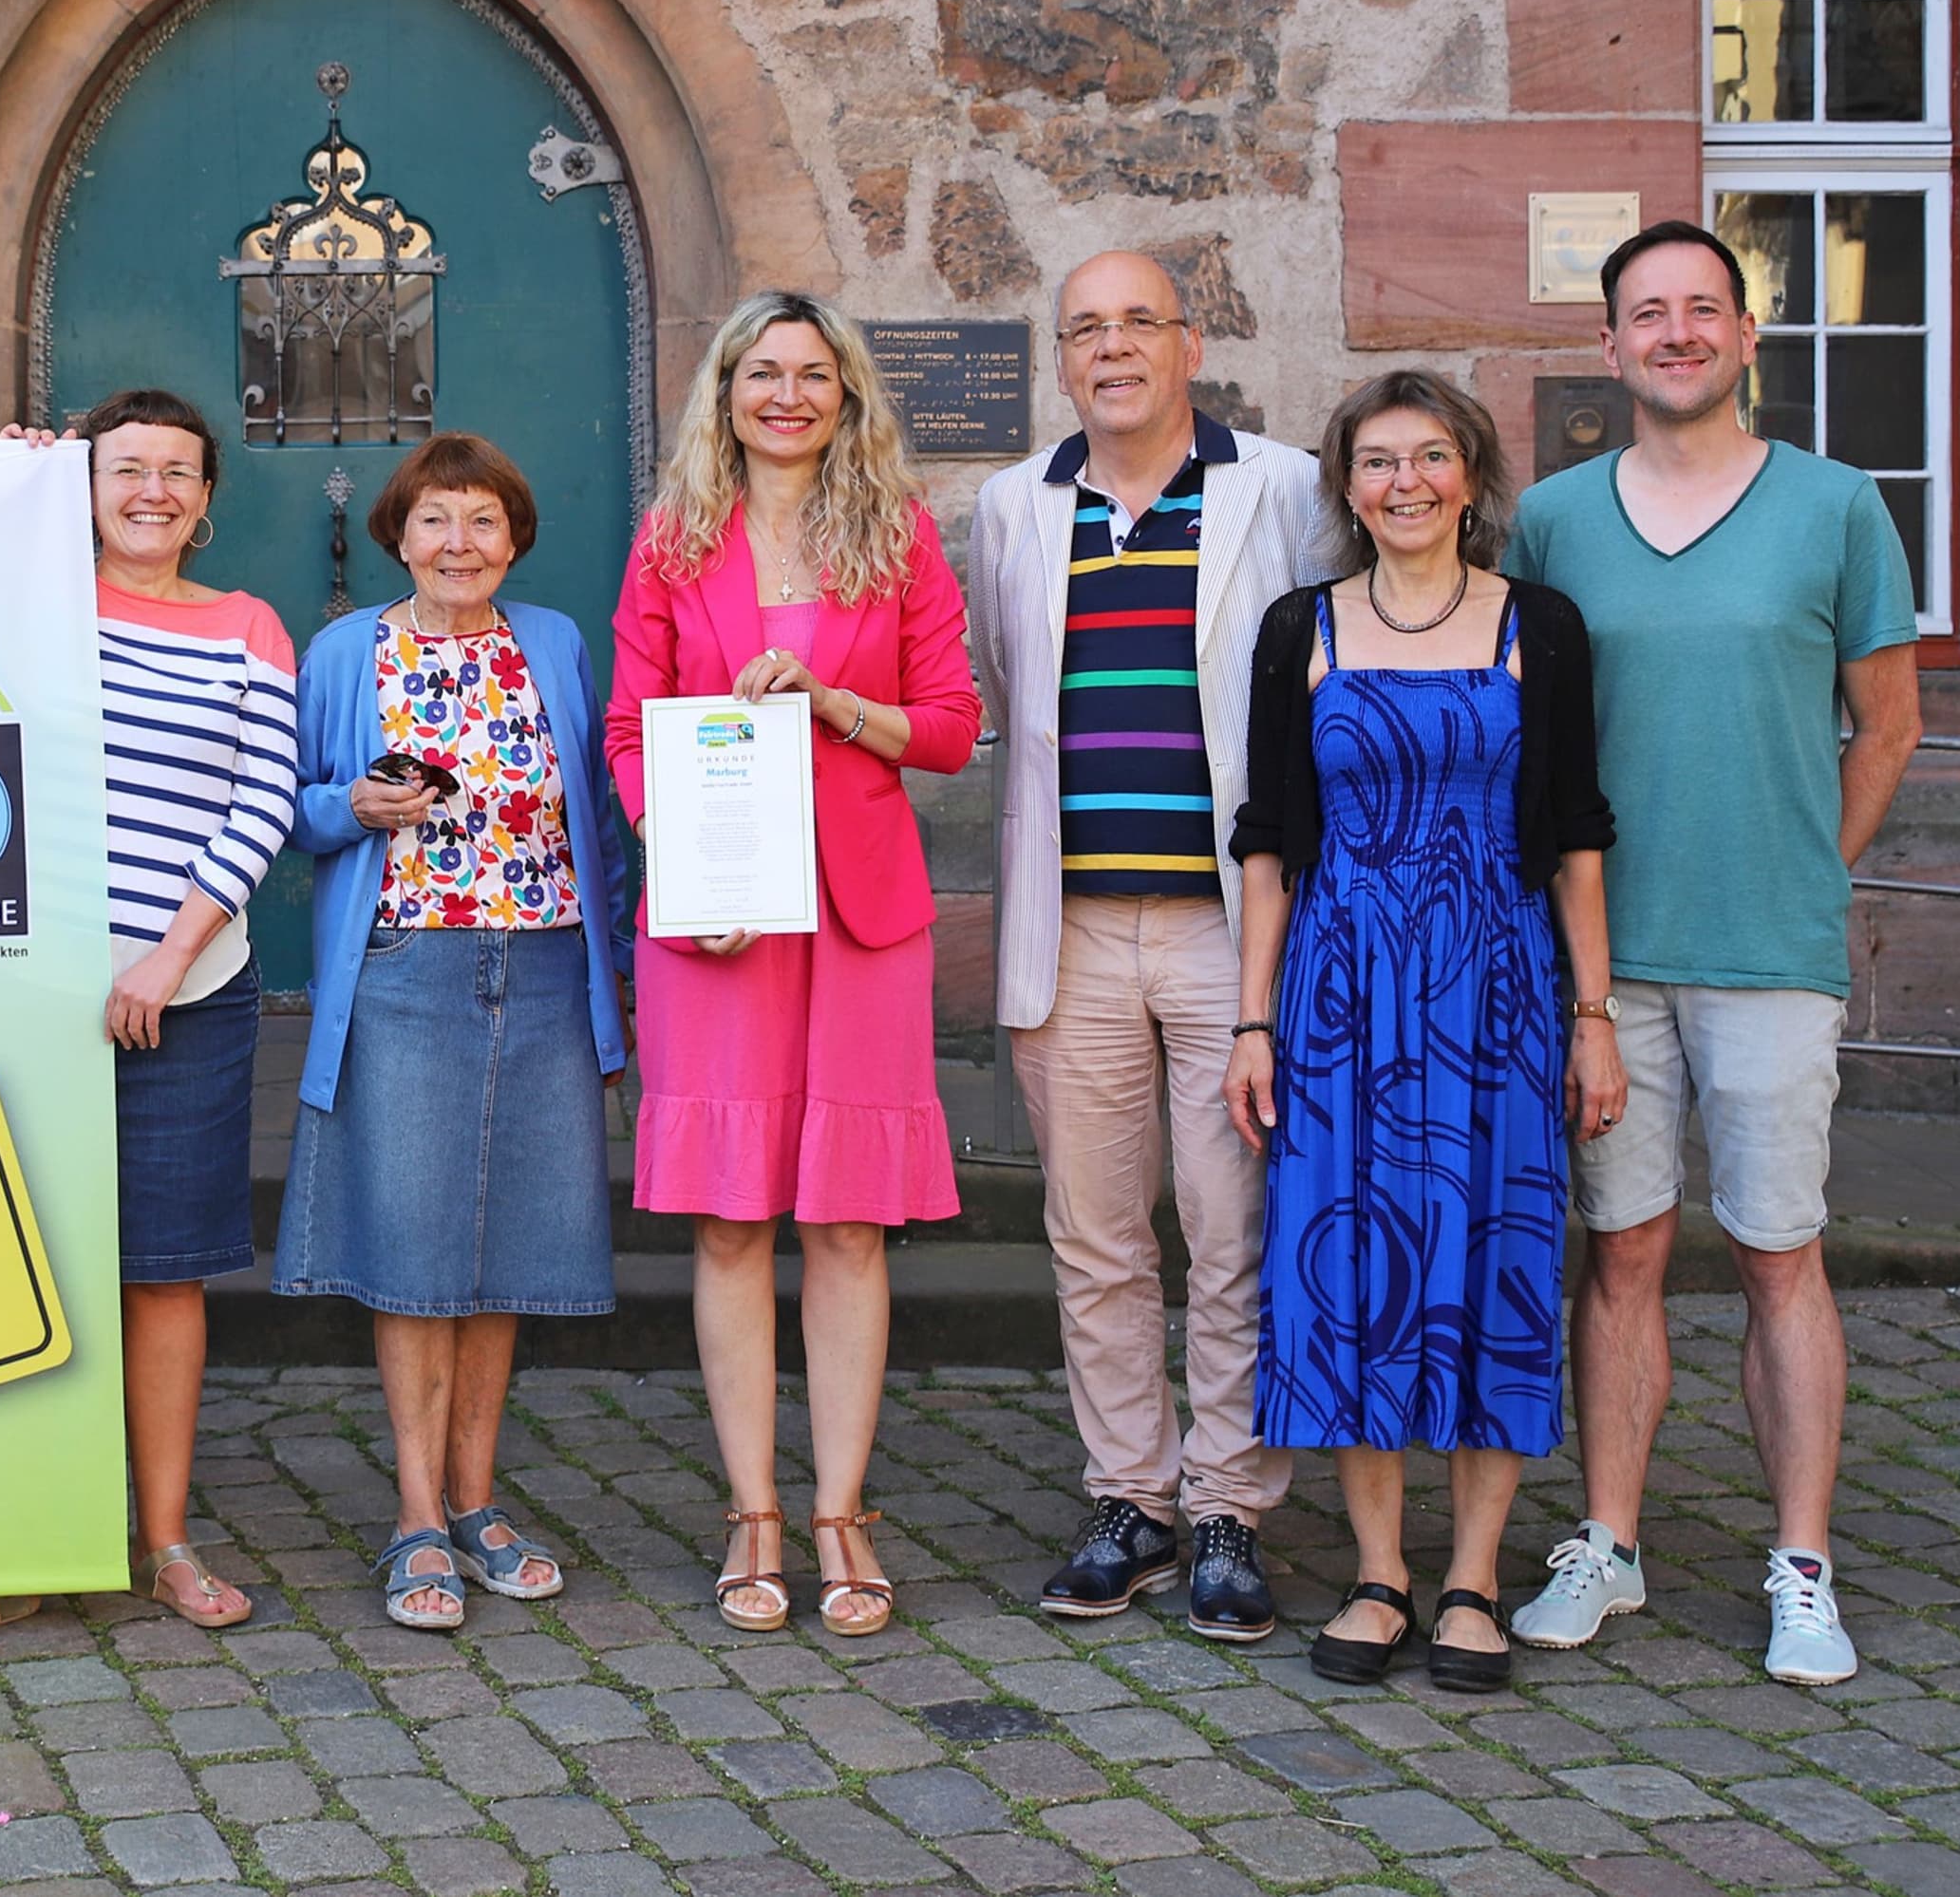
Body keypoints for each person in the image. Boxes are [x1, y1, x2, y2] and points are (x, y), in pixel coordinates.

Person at [1500, 221, 1920, 1687]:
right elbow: (1532, 746)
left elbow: (1890, 723)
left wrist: (1805, 872)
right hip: (1604, 965)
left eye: (1702, 309)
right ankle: (1607, 1542)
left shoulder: (1836, 506)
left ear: (1749, 335)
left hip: (1769, 953)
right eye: (1645, 314)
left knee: (1777, 1249)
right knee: (1619, 1255)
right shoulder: (1552, 520)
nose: (1674, 332)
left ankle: (1801, 1563)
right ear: (1609, 348)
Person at [1222, 373, 1623, 1692]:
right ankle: (1382, 1570)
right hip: (1340, 997)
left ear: (1471, 475)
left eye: (1431, 455)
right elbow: (1270, 845)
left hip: (1497, 995)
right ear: (1345, 483)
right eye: (1378, 459)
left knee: (1495, 1258)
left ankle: (1474, 1577)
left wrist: (1593, 1014)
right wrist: (1251, 1023)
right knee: (1347, 1276)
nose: (1405, 481)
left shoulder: (1539, 626)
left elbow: (1574, 834)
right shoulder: (1302, 628)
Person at [0, 390, 297, 1649]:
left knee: (165, 1270)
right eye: (126, 468)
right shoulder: (28, 605)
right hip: (24, 990)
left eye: (179, 471)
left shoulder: (248, 627)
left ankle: (163, 1539)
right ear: (85, 488)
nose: (153, 490)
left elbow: (262, 800)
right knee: (16, 1264)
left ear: (207, 497)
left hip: (189, 992)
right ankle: (6, 1549)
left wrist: (168, 959)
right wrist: (4, 496)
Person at [605, 294, 981, 1637]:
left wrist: (834, 705)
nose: (787, 394)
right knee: (727, 1219)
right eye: (762, 372)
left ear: (846, 393)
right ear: (726, 390)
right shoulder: (673, 539)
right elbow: (628, 730)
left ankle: (841, 1514)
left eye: (813, 374)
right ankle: (753, 1509)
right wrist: (675, 856)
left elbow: (949, 727)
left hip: (865, 915)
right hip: (724, 920)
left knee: (844, 1222)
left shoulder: (897, 534)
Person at [967, 250, 1325, 1640]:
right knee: (1096, 1232)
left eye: (1138, 323)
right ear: (1063, 357)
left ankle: (1233, 1502)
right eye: (1085, 329)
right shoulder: (1013, 505)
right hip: (1076, 926)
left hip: (1229, 936)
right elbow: (1013, 696)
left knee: (1230, 1225)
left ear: (1189, 342)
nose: (1111, 348)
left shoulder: (1280, 487)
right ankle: (1134, 1495)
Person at [275, 433, 626, 1631]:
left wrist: (617, 975)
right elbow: (294, 805)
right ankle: (418, 1515)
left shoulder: (557, 643)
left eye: (483, 520)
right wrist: (349, 803)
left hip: (540, 965)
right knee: (420, 1250)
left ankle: (479, 1500)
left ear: (515, 537)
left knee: (508, 1245)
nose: (460, 543)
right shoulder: (343, 651)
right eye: (436, 521)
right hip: (407, 969)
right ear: (399, 536)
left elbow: (601, 808)